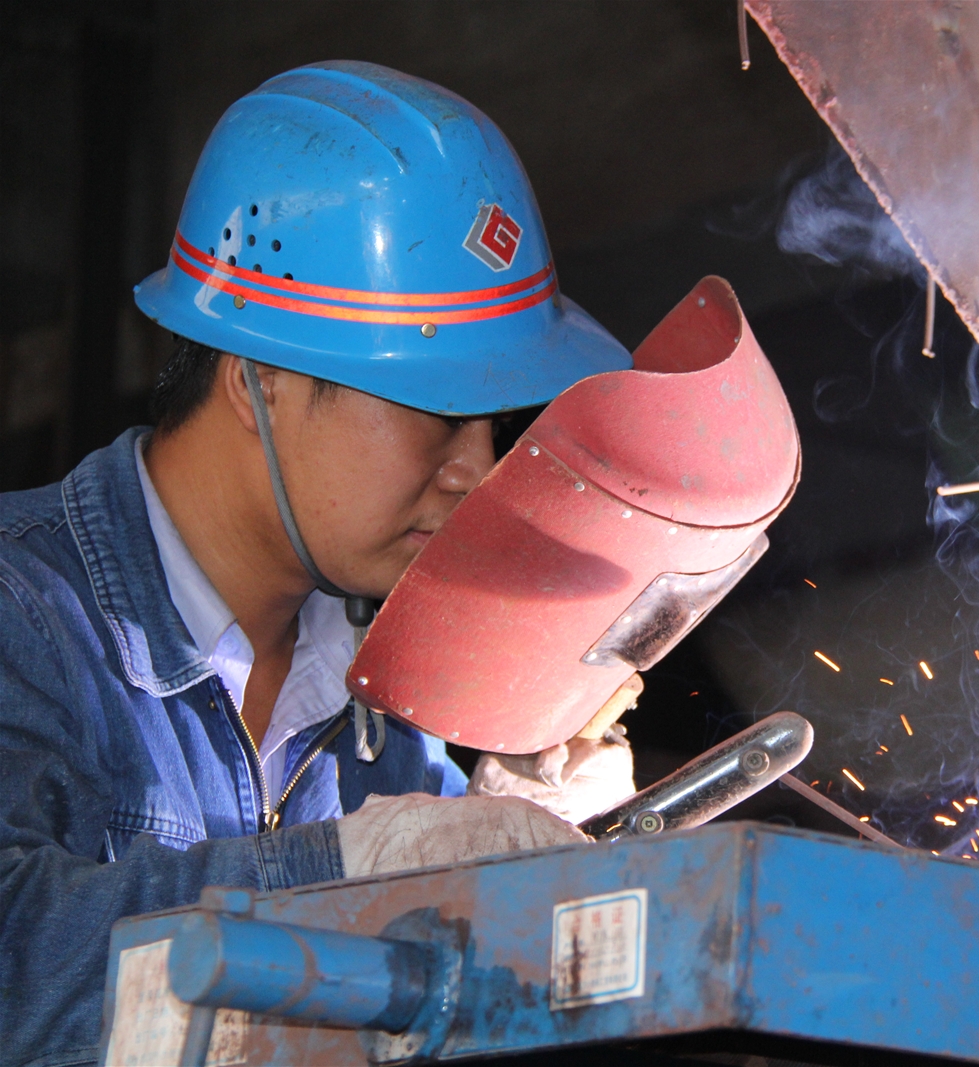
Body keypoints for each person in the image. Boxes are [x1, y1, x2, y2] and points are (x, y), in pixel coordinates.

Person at [0, 61, 637, 1066]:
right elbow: (18, 965)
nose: (477, 472)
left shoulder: (388, 722)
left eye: (494, 420)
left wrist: (495, 844)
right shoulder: (24, 612)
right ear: (257, 378)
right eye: (435, 409)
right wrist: (347, 879)